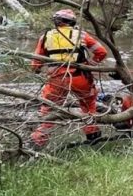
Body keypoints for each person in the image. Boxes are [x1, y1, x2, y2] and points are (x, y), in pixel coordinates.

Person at [30, 8, 107, 149]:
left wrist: (37, 70)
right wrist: (91, 63)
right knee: (88, 106)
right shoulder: (81, 35)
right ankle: (94, 139)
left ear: (57, 22)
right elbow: (101, 52)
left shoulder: (46, 37)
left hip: (57, 79)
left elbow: (36, 62)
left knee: (49, 109)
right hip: (80, 77)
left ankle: (37, 142)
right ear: (72, 22)